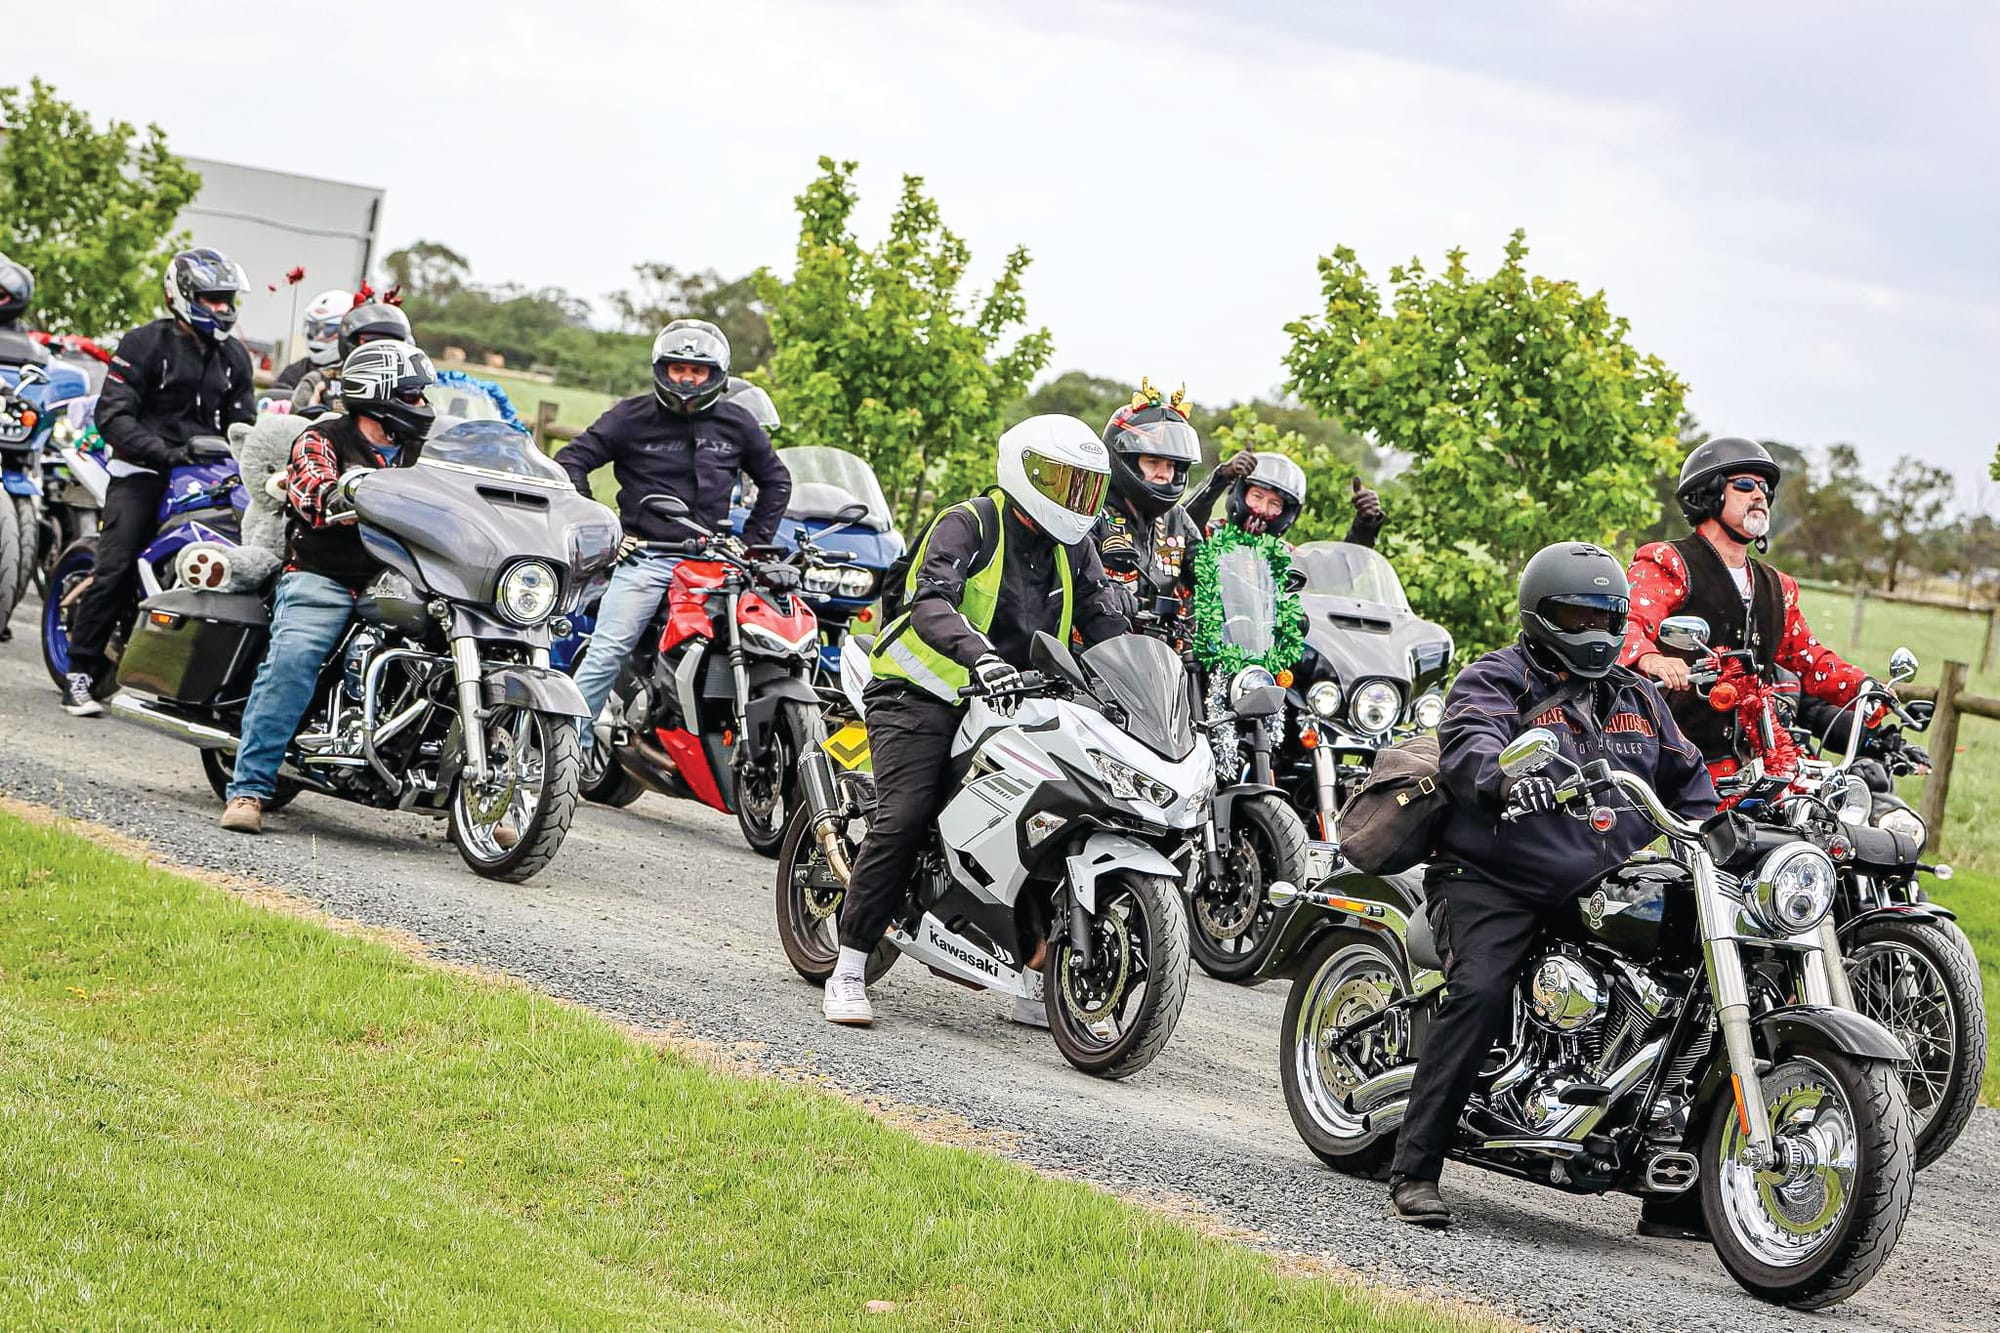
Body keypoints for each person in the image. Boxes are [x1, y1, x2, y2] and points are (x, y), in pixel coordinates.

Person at [1387, 541, 1716, 1229]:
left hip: (1601, 885)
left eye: (1608, 618)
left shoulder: (1638, 695)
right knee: (1478, 990)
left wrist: (1720, 826)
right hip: (1491, 878)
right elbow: (1472, 742)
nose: (1596, 632)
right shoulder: (1497, 678)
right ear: (1541, 614)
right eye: (1577, 615)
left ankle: (1676, 1191)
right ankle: (1416, 1167)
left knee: (1694, 992)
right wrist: (1508, 778)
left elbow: (1690, 779)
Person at [824, 414, 1133, 1029]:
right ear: (1024, 472)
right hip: (922, 689)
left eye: (1085, 488)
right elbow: (932, 600)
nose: (1076, 501)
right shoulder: (969, 523)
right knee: (906, 815)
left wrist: (1134, 676)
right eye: (1064, 484)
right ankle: (849, 967)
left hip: (1019, 700)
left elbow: (1103, 621)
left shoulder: (1075, 546)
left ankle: (1034, 973)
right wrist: (981, 658)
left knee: (1056, 815)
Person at [219, 340, 438, 834]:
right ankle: (250, 789)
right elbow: (314, 493)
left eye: (423, 397)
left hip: (407, 578)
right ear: (376, 395)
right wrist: (345, 495)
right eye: (413, 396)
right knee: (295, 658)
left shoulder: (427, 452)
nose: (424, 407)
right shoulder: (322, 438)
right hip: (327, 574)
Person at [556, 320, 791, 741]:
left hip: (715, 563)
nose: (686, 377)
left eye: (696, 371)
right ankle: (567, 750)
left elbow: (777, 481)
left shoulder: (737, 423)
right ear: (662, 369)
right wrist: (603, 527)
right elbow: (572, 460)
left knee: (767, 640)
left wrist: (753, 544)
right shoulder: (630, 417)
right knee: (608, 650)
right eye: (678, 367)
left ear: (715, 375)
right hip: (646, 557)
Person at [64, 248, 255, 716]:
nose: (223, 308)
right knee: (117, 565)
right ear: (184, 296)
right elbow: (113, 416)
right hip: (142, 471)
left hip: (209, 474)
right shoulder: (144, 343)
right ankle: (80, 674)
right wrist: (167, 452)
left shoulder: (235, 357)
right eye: (212, 299)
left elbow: (244, 425)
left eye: (228, 299)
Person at [1621, 437, 1870, 780]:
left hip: (1756, 768)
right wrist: (1652, 660)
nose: (1759, 495)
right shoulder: (1668, 562)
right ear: (1708, 493)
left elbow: (1811, 660)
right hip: (1671, 761)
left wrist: (1866, 689)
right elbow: (1626, 624)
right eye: (1744, 484)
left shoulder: (1777, 587)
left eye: (1765, 488)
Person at [1089, 379, 1206, 600]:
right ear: (1126, 460)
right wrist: (1105, 592)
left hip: (1163, 635)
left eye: (1171, 465)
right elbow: (1075, 579)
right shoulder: (1092, 513)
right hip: (1102, 633)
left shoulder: (1177, 519)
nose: (1164, 473)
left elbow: (1208, 573)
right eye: (1153, 463)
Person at [1187, 450, 1385, 547]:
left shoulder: (1287, 556)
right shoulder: (1210, 535)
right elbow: (1184, 522)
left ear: (1287, 513)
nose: (1262, 509)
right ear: (1240, 494)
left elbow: (1341, 569)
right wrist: (1223, 475)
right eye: (1257, 496)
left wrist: (1365, 524)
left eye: (1275, 504)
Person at [289, 300, 412, 416]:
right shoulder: (319, 381)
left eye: (390, 344)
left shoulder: (411, 388)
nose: (381, 349)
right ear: (351, 343)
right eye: (371, 342)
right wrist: (313, 416)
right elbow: (294, 429)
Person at [271, 289, 354, 392]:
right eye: (313, 327)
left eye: (329, 328)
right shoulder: (294, 372)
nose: (319, 336)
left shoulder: (355, 374)